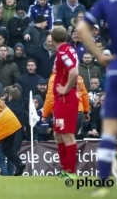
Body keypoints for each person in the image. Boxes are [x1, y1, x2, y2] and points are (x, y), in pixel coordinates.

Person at [76, 0, 117, 196]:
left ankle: (103, 184)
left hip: (116, 70)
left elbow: (82, 27)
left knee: (109, 132)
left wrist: (99, 56)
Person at [42, 26, 79, 180]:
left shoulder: (64, 52)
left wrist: (65, 88)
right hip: (60, 100)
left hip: (66, 99)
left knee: (67, 135)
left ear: (53, 38)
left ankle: (70, 172)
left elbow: (74, 72)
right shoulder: (67, 50)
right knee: (58, 134)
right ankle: (65, 169)